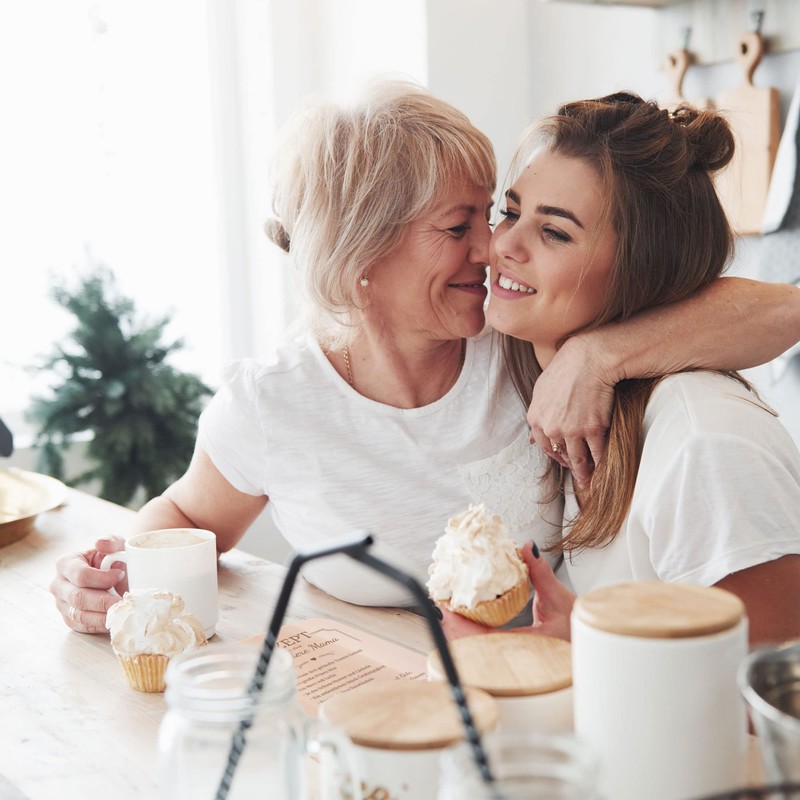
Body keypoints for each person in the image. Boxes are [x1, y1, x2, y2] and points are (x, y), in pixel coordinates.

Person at [52, 81, 800, 634]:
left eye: (495, 213)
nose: (493, 248)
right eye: (463, 224)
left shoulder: (522, 337)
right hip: (388, 688)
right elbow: (186, 513)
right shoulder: (276, 400)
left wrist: (599, 356)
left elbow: (774, 307)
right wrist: (115, 571)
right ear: (363, 253)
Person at [442, 92, 800, 647]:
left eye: (555, 232)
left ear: (642, 270)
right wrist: (568, 637)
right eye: (510, 213)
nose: (502, 245)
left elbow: (770, 703)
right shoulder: (575, 406)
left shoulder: (705, 446)